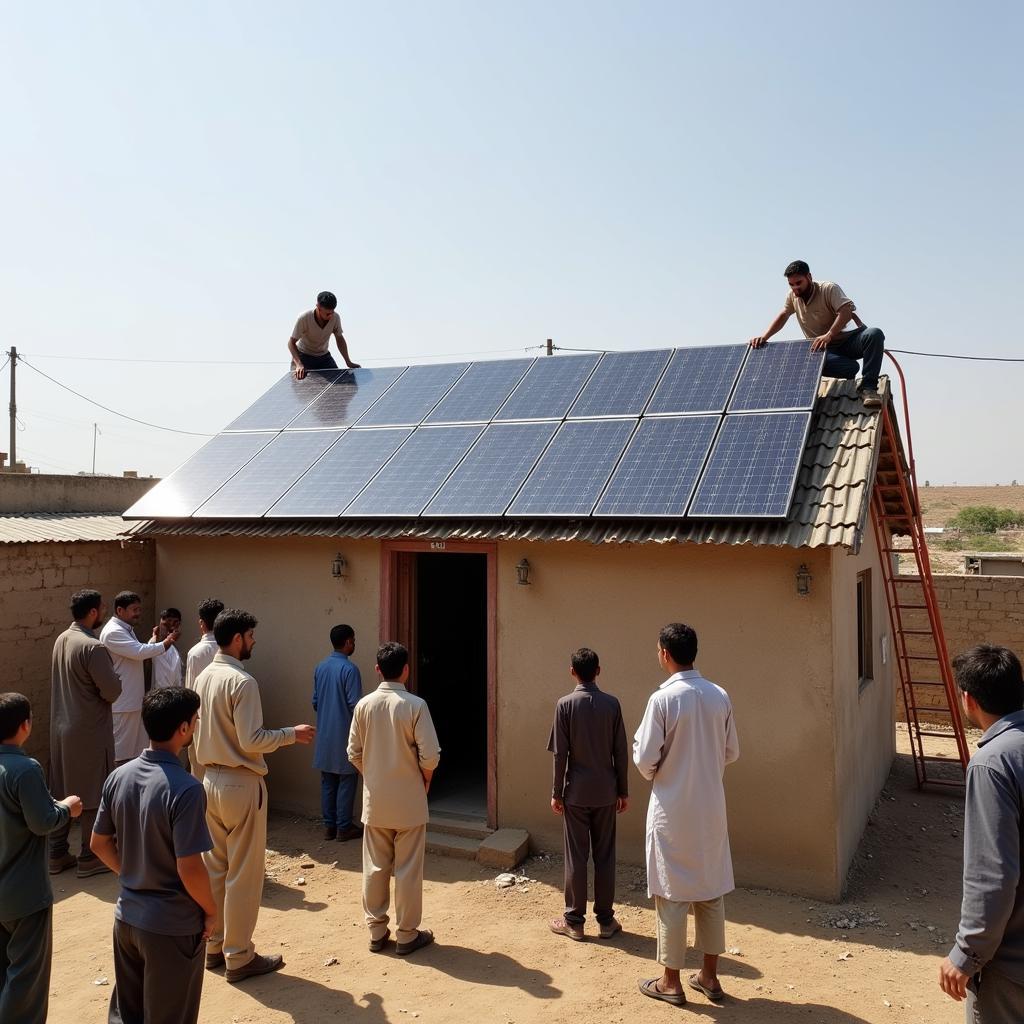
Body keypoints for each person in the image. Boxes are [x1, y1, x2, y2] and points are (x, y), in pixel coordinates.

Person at [191, 609, 315, 983]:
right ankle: (240, 956)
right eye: (251, 635)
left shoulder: (202, 678)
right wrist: (291, 734)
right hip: (241, 783)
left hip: (208, 780)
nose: (254, 642)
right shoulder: (242, 682)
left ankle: (214, 945)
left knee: (215, 868)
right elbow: (251, 739)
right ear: (238, 638)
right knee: (243, 875)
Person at [91, 687, 215, 1024]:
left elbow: (99, 843)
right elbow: (189, 866)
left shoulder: (119, 776)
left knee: (127, 1014)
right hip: (171, 927)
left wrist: (133, 874)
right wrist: (211, 911)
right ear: (184, 729)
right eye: (194, 720)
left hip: (127, 917)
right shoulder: (187, 788)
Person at [633, 623, 739, 1007]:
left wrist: (662, 769)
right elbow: (731, 752)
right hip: (710, 807)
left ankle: (670, 982)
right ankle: (710, 976)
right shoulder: (719, 695)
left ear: (665, 653)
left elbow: (645, 758)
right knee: (710, 890)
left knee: (671, 893)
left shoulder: (662, 700)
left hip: (673, 809)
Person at [939, 645, 1024, 1020]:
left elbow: (992, 875)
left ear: (969, 699)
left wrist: (968, 953)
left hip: (1011, 969)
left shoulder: (993, 763)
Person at [348, 641, 440, 957]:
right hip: (410, 801)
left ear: (377, 670)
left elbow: (353, 753)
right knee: (408, 870)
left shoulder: (363, 706)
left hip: (376, 802)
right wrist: (423, 779)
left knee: (374, 868)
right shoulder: (415, 706)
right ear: (406, 669)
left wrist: (372, 775)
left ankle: (376, 932)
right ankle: (406, 935)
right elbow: (430, 756)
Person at [0, 692, 82, 1024]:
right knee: (25, 979)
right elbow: (43, 821)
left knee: (5, 973)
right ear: (25, 726)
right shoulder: (25, 768)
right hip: (25, 895)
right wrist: (68, 808)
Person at [547, 647, 629, 942]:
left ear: (572, 672)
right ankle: (606, 921)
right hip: (606, 791)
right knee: (605, 855)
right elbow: (621, 751)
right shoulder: (612, 704)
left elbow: (560, 755)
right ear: (598, 670)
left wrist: (557, 793)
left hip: (577, 793)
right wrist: (623, 790)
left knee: (576, 857)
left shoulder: (564, 705)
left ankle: (574, 921)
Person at [48, 588, 123, 879]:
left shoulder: (62, 639)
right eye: (102, 609)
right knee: (92, 791)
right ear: (93, 612)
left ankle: (56, 852)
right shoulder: (93, 647)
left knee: (62, 789)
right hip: (89, 731)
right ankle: (90, 856)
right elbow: (112, 691)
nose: (103, 614)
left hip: (61, 729)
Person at [748, 259, 885, 409]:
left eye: (799, 283)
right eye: (791, 284)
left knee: (874, 334)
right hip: (825, 351)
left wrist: (829, 334)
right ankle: (842, 378)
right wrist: (765, 337)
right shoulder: (793, 296)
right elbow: (784, 315)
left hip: (850, 342)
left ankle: (869, 388)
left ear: (809, 277)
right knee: (850, 368)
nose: (795, 288)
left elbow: (845, 312)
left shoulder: (828, 289)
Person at [101, 591, 180, 764]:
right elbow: (139, 652)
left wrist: (154, 641)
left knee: (135, 755)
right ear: (120, 610)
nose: (138, 613)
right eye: (134, 609)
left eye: (139, 609)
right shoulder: (114, 632)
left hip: (132, 703)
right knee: (120, 756)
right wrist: (167, 642)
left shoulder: (125, 629)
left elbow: (139, 650)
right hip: (123, 705)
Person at [313, 624, 364, 841]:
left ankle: (329, 827)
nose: (354, 644)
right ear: (347, 642)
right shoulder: (350, 670)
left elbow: (315, 702)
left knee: (328, 782)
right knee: (347, 779)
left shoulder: (321, 667)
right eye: (353, 640)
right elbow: (356, 705)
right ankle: (344, 827)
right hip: (344, 733)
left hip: (325, 734)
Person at [184, 598, 224, 781]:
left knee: (200, 775)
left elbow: (190, 692)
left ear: (202, 623)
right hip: (224, 720)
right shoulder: (228, 648)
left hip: (200, 722)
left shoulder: (196, 652)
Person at [287, 291, 360, 379]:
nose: (330, 316)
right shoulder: (304, 318)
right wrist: (299, 364)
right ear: (318, 307)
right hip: (304, 356)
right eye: (327, 314)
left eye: (332, 312)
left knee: (339, 381)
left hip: (323, 357)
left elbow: (339, 339)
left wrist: (348, 362)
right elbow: (291, 343)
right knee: (302, 385)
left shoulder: (335, 318)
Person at [151, 608, 184, 691]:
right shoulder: (152, 645)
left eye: (175, 623)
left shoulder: (175, 650)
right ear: (161, 623)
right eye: (167, 623)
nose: (171, 627)